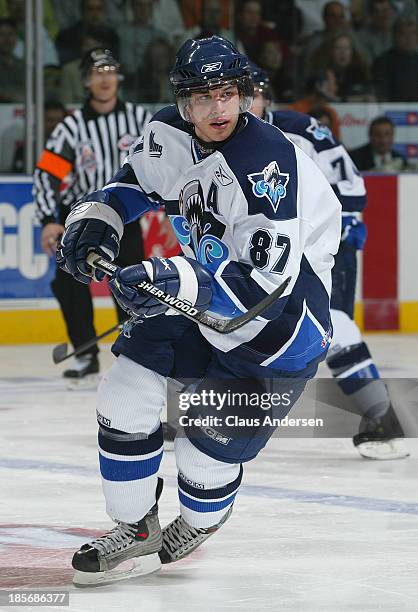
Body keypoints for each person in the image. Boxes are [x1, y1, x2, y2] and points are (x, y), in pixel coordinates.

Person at [56, 35, 341, 586]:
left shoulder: (267, 165)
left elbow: (266, 284)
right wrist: (99, 219)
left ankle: (200, 519)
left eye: (228, 94)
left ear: (241, 94)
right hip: (203, 299)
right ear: (183, 101)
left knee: (205, 450)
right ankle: (135, 528)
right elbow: (135, 184)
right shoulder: (168, 131)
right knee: (125, 392)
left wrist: (172, 274)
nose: (218, 109)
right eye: (203, 97)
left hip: (278, 329)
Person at [250, 64, 408, 460]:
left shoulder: (301, 130)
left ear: (267, 97)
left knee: (331, 325)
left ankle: (380, 415)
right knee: (236, 324)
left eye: (249, 93)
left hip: (321, 249)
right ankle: (210, 411)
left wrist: (345, 224)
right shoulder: (217, 138)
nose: (237, 102)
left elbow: (350, 182)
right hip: (263, 251)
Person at [33, 48, 151, 385]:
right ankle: (85, 354)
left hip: (125, 218)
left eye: (111, 70)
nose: (105, 78)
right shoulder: (71, 127)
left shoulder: (139, 120)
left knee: (130, 285)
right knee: (69, 282)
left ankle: (133, 354)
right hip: (82, 218)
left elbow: (166, 164)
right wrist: (48, 219)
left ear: (119, 77)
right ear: (86, 80)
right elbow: (47, 174)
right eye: (98, 71)